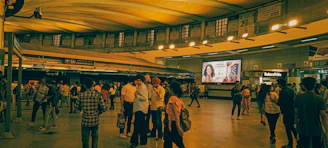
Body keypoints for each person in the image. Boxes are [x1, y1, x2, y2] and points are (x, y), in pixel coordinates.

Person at [294, 77, 328, 148]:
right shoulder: (320, 99)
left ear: (304, 85)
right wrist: (327, 130)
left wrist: (297, 125)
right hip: (316, 129)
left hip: (303, 128)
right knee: (317, 145)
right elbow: (323, 116)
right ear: (314, 85)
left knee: (304, 145)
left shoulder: (298, 97)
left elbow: (296, 113)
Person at [77, 77, 106, 148]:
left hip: (85, 121)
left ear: (84, 85)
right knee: (95, 137)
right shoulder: (98, 95)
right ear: (92, 85)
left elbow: (76, 107)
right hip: (95, 120)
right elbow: (103, 108)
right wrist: (99, 111)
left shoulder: (81, 95)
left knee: (85, 138)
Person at [277, 79, 297, 148]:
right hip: (292, 111)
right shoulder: (291, 90)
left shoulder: (282, 92)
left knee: (288, 128)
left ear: (279, 84)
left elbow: (280, 102)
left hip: (286, 112)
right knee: (292, 127)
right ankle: (298, 141)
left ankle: (290, 143)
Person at [130, 74, 149, 148]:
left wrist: (136, 95)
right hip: (140, 109)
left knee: (137, 126)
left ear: (142, 80)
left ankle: (134, 141)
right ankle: (143, 140)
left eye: (139, 80)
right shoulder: (139, 86)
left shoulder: (143, 87)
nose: (137, 81)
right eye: (137, 80)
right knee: (142, 126)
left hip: (141, 109)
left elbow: (145, 98)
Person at [165, 81, 185, 148]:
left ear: (172, 89)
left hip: (172, 123)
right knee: (171, 141)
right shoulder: (179, 99)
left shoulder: (172, 98)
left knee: (170, 141)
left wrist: (178, 126)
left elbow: (175, 114)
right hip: (176, 122)